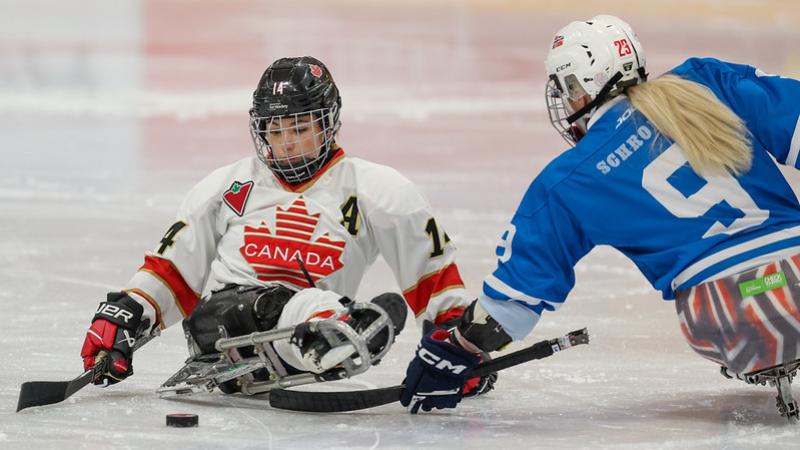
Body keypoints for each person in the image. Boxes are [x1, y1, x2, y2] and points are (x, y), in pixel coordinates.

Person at [401, 14, 800, 415]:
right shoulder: (706, 81)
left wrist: (454, 350)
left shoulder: (570, 177)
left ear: (579, 87)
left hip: (722, 319)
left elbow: (514, 300)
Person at [79, 56, 487, 393]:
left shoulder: (379, 189)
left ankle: (334, 333)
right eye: (275, 129)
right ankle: (341, 333)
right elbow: (172, 269)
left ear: (328, 123)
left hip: (310, 327)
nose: (286, 141)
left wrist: (456, 345)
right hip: (221, 333)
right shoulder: (228, 184)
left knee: (322, 307)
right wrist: (127, 314)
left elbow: (433, 275)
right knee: (279, 308)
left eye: (300, 127)